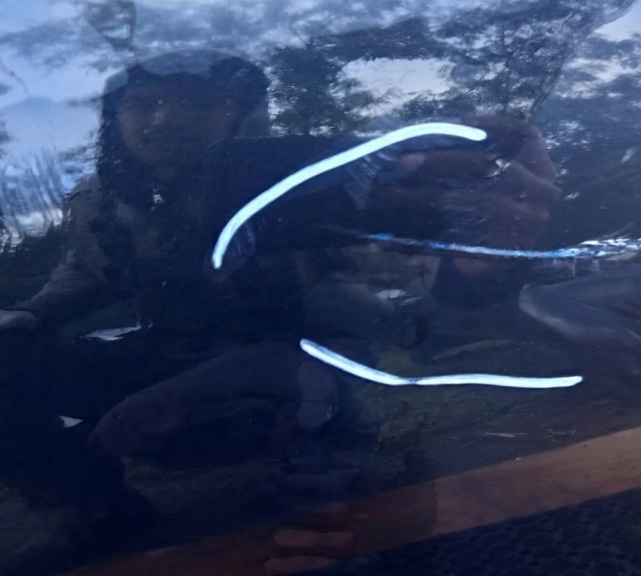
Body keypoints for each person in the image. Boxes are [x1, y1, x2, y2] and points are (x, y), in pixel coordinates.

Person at [0, 48, 563, 574]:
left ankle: (342, 503)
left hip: (301, 351)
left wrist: (478, 252)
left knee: (300, 409)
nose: (165, 119)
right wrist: (28, 316)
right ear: (115, 120)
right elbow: (88, 271)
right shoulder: (102, 198)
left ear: (241, 115)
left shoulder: (318, 178)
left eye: (198, 102)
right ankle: (92, 511)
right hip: (171, 350)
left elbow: (404, 274)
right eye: (144, 103)